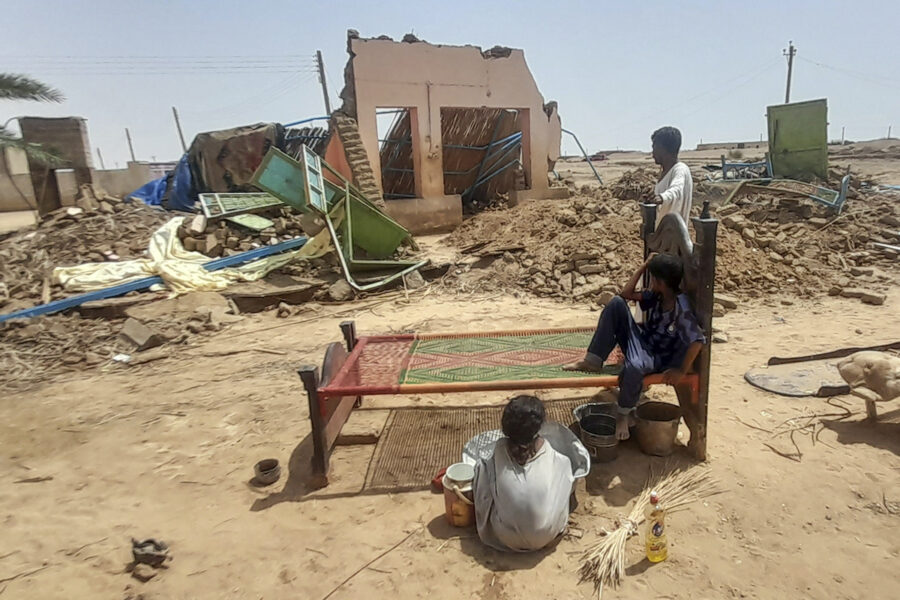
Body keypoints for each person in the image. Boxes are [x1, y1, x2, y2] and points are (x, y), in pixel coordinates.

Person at [564, 253, 706, 439]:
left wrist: (681, 371)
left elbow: (697, 340)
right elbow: (626, 294)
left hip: (657, 357)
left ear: (661, 282)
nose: (650, 281)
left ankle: (623, 414)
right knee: (616, 303)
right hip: (642, 342)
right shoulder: (657, 296)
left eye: (653, 277)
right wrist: (644, 266)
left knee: (635, 367)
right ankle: (593, 361)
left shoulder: (681, 308)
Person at [472, 396, 576, 552]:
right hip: (548, 534)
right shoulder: (548, 451)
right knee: (564, 465)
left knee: (481, 466)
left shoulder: (500, 449)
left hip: (506, 536)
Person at [651, 126, 693, 225]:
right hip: (661, 234)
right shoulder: (665, 171)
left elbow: (677, 189)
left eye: (654, 148)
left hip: (674, 236)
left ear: (663, 148)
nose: (652, 153)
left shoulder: (680, 169)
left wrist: (662, 198)